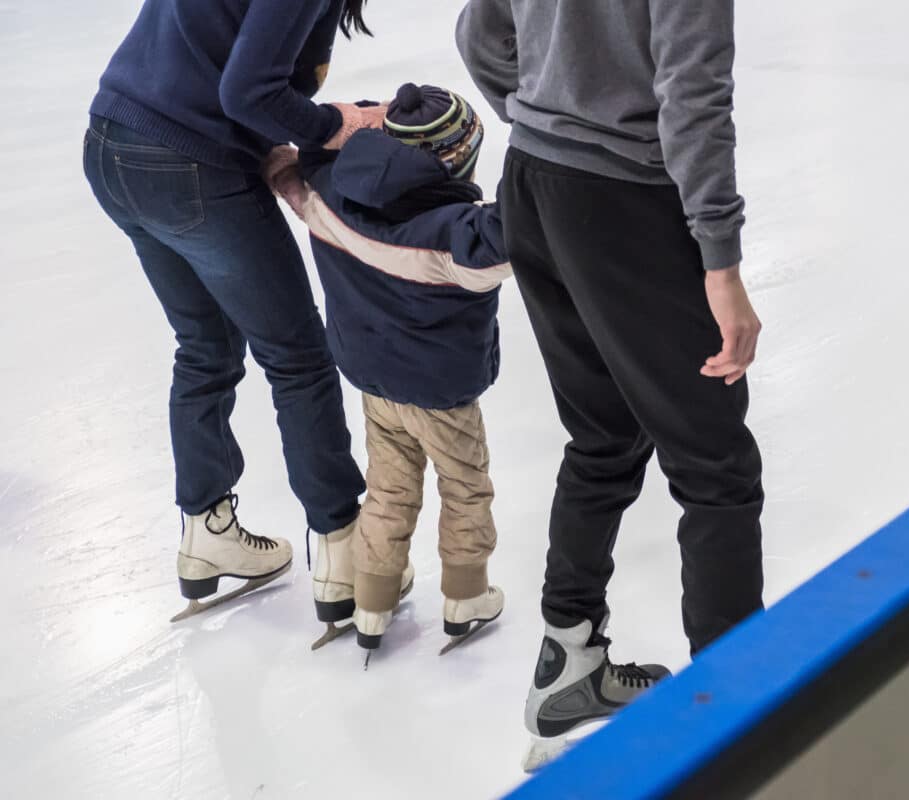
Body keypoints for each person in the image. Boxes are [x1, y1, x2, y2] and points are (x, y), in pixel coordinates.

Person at [457, 0, 766, 770]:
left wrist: (547, 115)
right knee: (715, 468)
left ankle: (570, 662)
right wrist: (720, 263)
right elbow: (692, 92)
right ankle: (731, 728)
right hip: (624, 200)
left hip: (533, 182)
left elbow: (480, 31)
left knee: (603, 435)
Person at [82, 0, 384, 632]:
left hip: (114, 143)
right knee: (298, 358)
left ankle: (207, 529)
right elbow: (249, 90)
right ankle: (343, 548)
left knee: (204, 345)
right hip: (186, 162)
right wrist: (333, 124)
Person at [279, 84, 510, 657]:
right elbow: (523, 235)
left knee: (388, 488)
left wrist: (354, 129)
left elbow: (296, 165)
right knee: (464, 487)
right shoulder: (457, 236)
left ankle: (373, 602)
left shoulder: (329, 193)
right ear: (457, 162)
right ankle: (465, 596)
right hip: (442, 395)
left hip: (376, 384)